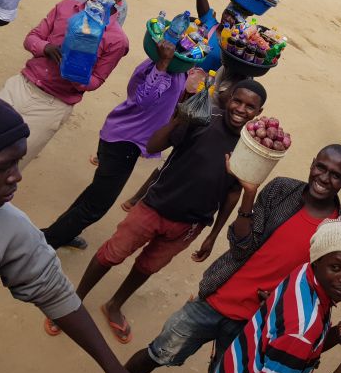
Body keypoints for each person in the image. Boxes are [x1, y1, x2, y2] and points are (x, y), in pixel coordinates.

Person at [0, 86, 141, 373]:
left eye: (19, 162)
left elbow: (52, 289)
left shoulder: (5, 228)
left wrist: (114, 369)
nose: (17, 176)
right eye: (4, 167)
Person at [116, 144, 341, 373]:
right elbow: (242, 247)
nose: (324, 178)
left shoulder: (338, 232)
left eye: (336, 175)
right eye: (321, 167)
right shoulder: (281, 189)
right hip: (216, 299)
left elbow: (320, 290)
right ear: (312, 164)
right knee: (157, 353)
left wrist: (279, 300)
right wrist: (249, 195)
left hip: (254, 325)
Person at [57, 80, 266, 343]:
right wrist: (178, 119)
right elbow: (154, 146)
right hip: (155, 206)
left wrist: (213, 234)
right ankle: (75, 302)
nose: (241, 109)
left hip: (191, 224)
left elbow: (233, 192)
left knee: (148, 266)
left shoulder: (251, 147)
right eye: (238, 100)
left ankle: (114, 304)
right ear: (228, 98)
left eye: (250, 107)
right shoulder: (202, 119)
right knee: (113, 253)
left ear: (258, 113)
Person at [201, 218, 341, 373]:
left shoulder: (303, 274)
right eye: (336, 268)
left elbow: (307, 346)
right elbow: (300, 341)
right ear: (318, 261)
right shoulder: (301, 330)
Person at [40, 40, 187, 251]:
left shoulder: (177, 72)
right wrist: (163, 63)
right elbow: (144, 100)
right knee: (96, 205)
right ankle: (47, 242)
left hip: (122, 137)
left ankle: (63, 232)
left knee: (94, 194)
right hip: (123, 143)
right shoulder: (157, 68)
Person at [0, 0, 130, 169]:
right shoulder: (66, 7)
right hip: (21, 86)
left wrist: (76, 72)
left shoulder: (117, 39)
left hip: (52, 106)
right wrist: (46, 48)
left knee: (7, 166)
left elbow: (96, 81)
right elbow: (31, 38)